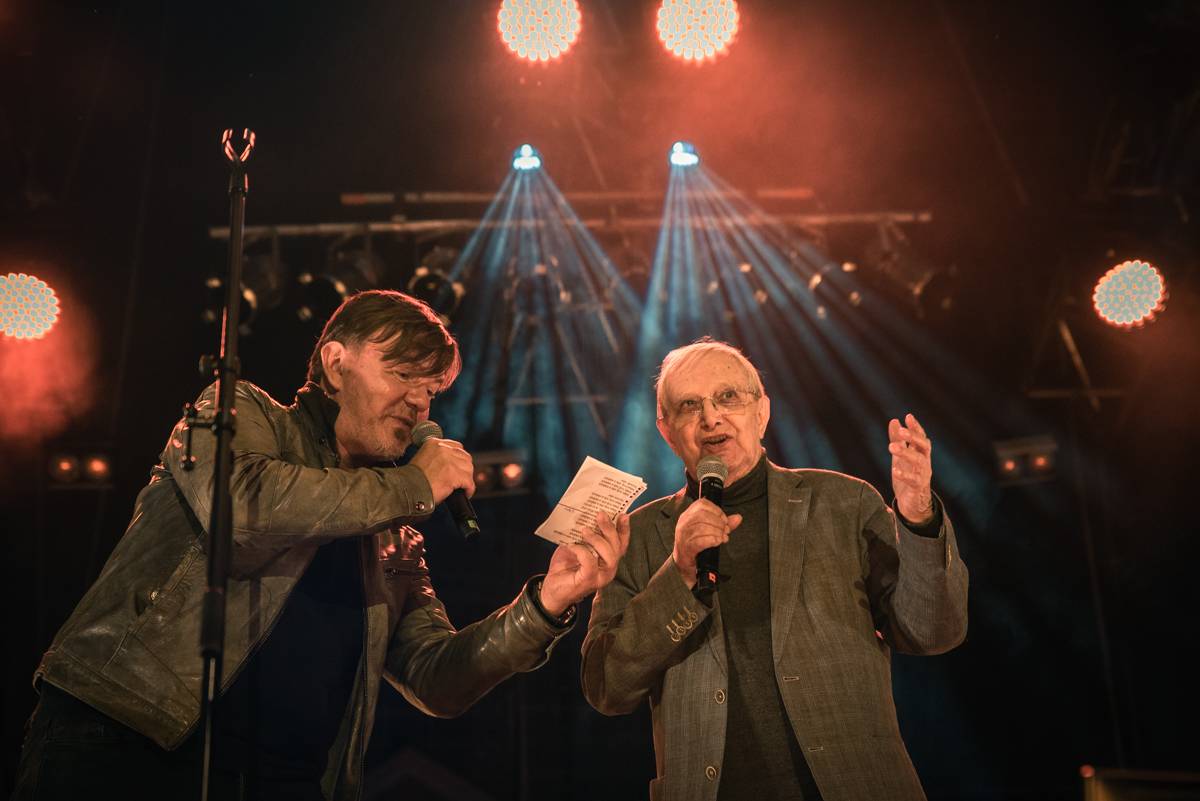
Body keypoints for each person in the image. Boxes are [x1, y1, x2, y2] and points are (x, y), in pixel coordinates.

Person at [13, 290, 630, 801]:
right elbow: (244, 508)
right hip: (132, 747)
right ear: (336, 364)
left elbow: (436, 679)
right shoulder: (241, 411)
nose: (420, 401)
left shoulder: (391, 531)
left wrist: (545, 606)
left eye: (432, 389)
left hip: (284, 783)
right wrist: (415, 484)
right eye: (403, 374)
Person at [581, 338, 968, 801]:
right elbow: (607, 686)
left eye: (728, 397)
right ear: (666, 430)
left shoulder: (844, 503)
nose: (711, 418)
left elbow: (932, 631)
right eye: (689, 406)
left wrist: (919, 517)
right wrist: (679, 573)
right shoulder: (638, 537)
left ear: (762, 412)